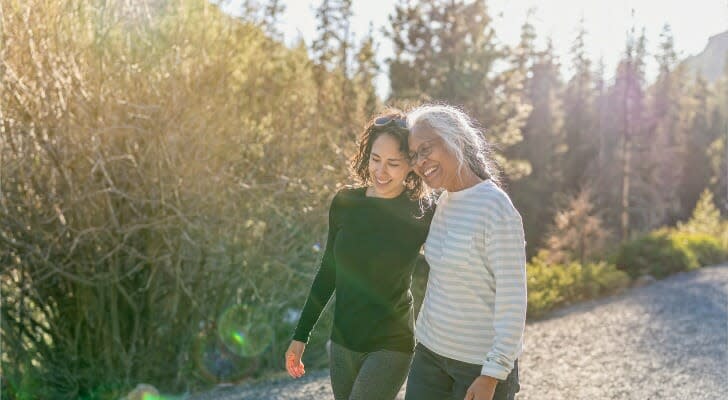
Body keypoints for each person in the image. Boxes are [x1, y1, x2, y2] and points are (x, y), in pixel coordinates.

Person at [285, 109, 433, 400]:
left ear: (411, 166)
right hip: (342, 343)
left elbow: (448, 269)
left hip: (391, 343)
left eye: (393, 163)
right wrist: (301, 336)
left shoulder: (422, 213)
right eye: (376, 159)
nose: (381, 171)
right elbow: (328, 272)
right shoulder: (345, 203)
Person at [404, 104, 526, 400]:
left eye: (426, 149)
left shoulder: (495, 207)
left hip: (476, 367)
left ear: (456, 139)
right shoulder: (443, 202)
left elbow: (513, 298)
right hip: (429, 356)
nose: (420, 162)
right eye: (414, 155)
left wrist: (492, 373)